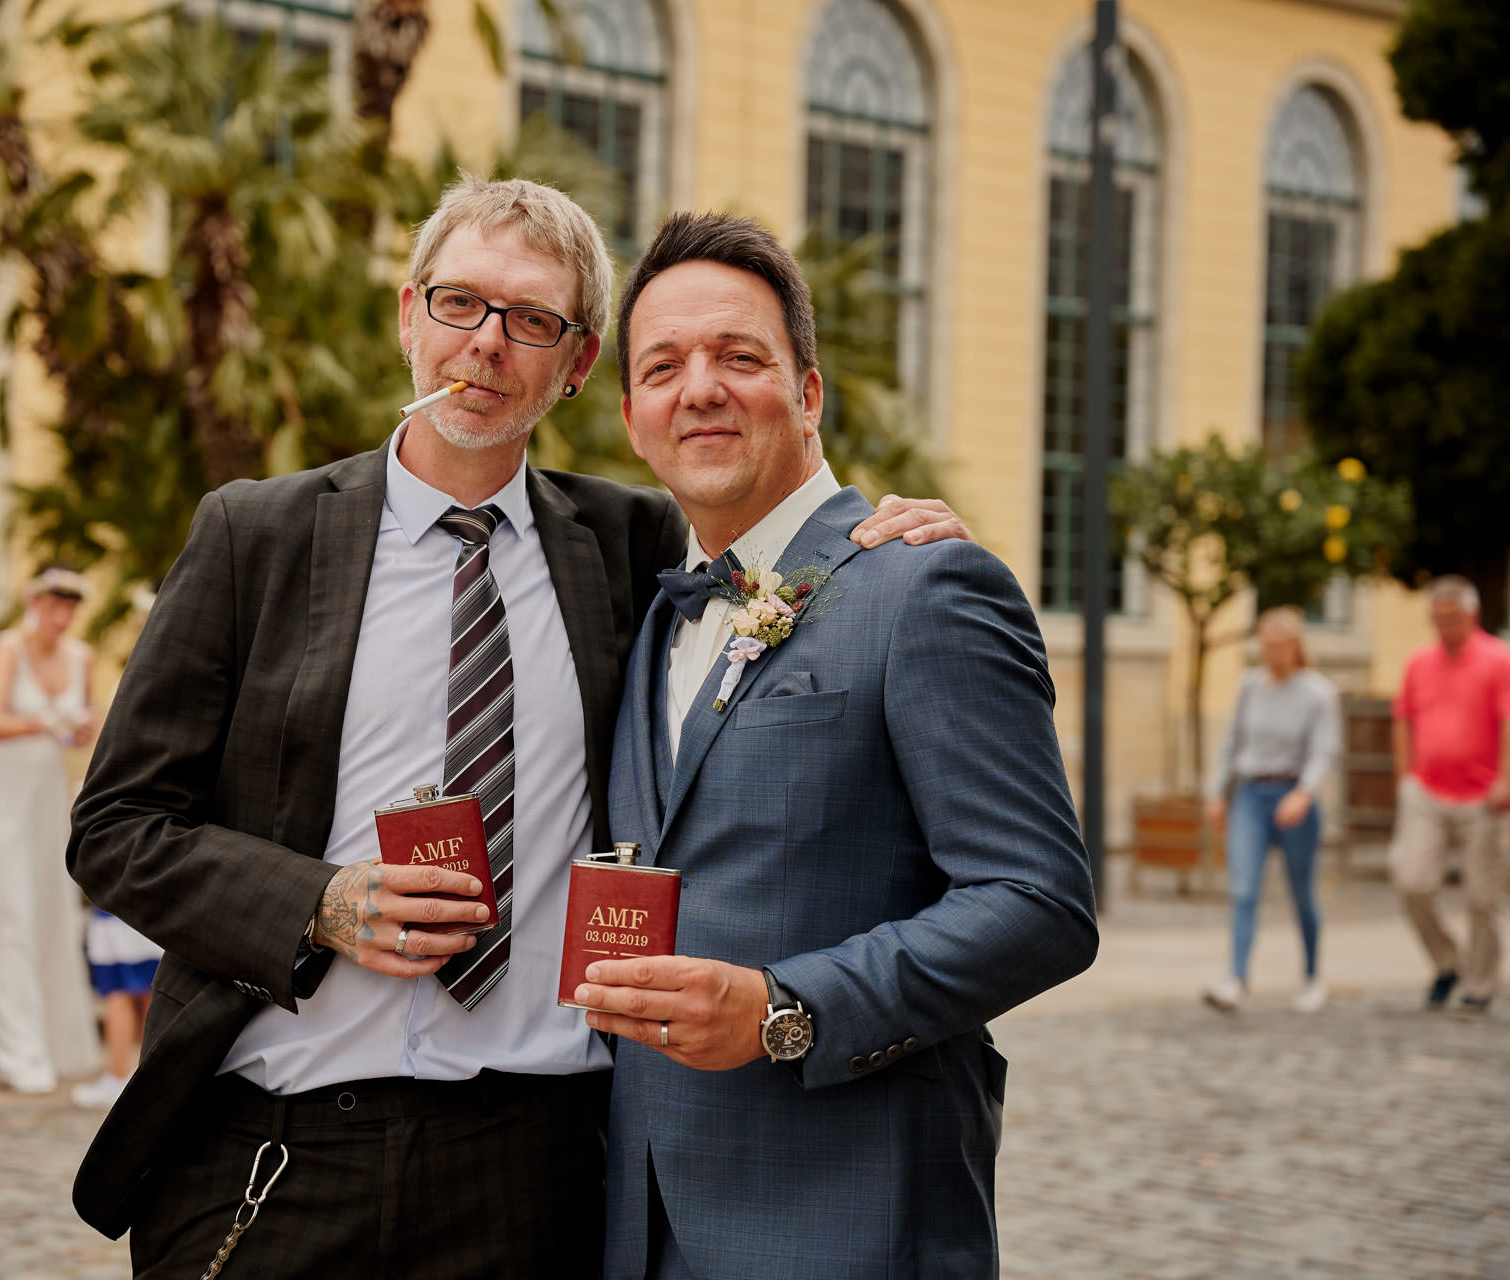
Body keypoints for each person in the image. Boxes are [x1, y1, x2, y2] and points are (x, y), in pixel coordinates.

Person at [66, 176, 971, 1279]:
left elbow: (775, 539)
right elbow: (116, 827)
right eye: (460, 303)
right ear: (410, 316)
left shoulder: (633, 544)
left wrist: (884, 535)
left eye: (533, 319)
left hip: (533, 1167)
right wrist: (320, 902)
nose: (487, 343)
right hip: (273, 1147)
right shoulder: (254, 536)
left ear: (578, 364)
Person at [570, 212, 1098, 1279]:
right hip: (642, 1226)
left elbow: (1039, 902)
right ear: (631, 419)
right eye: (663, 367)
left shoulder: (927, 586)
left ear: (809, 393)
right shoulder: (649, 613)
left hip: (850, 1222)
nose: (699, 389)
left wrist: (785, 1008)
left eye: (739, 356)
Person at [0, 565, 102, 1094]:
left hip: (42, 796)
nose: (61, 615)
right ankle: (15, 1054)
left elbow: (82, 728)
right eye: (53, 604)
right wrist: (42, 723)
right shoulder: (7, 648)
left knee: (47, 911)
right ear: (35, 602)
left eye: (70, 606)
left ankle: (50, 1041)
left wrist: (80, 728)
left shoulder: (82, 657)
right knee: (4, 913)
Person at [1202, 606, 1343, 1014]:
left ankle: (1312, 977)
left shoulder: (1319, 692)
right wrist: (1216, 793)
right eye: (1265, 646)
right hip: (1251, 795)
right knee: (1243, 889)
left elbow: (1324, 750)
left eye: (1278, 646)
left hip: (1294, 797)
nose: (1270, 654)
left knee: (1302, 894)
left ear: (1296, 646)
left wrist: (1305, 792)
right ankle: (1237, 979)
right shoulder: (1249, 686)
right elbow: (1231, 742)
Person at [1388, 576, 1510, 1014]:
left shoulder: (1499, 659)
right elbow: (1402, 717)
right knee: (1412, 881)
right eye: (1436, 618)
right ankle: (1447, 961)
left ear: (1472, 615)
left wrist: (1506, 779)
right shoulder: (1419, 662)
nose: (1443, 626)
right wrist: (1405, 776)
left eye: (1451, 618)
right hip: (1427, 791)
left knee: (1482, 896)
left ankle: (1479, 984)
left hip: (1483, 796)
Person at [72, 906, 163, 1110]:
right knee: (154, 990)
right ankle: (154, 1077)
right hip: (153, 912)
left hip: (117, 914)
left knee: (117, 992)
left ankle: (117, 1076)